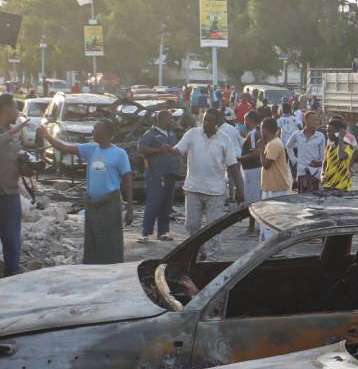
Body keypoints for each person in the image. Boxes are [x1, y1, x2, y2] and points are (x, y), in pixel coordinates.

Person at [40, 119, 134, 264]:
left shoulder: (119, 154)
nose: (92, 132)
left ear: (106, 133)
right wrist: (47, 136)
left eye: (96, 129)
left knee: (110, 239)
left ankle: (112, 267)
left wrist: (130, 209)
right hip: (92, 204)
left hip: (110, 204)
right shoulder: (90, 149)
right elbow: (64, 147)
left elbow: (127, 180)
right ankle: (93, 267)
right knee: (93, 240)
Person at [173, 108, 244, 258]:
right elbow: (179, 150)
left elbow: (233, 165)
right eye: (204, 119)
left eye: (209, 120)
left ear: (217, 123)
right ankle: (200, 253)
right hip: (193, 188)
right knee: (191, 226)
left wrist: (240, 188)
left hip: (216, 192)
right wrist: (170, 150)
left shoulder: (225, 139)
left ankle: (213, 259)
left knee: (213, 230)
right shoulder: (192, 134)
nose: (205, 123)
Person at [137, 110, 180, 242]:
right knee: (154, 202)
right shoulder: (151, 134)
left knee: (167, 203)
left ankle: (163, 232)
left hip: (170, 173)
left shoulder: (172, 134)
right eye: (169, 118)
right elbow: (141, 149)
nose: (172, 121)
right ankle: (145, 233)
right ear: (161, 120)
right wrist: (159, 150)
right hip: (155, 173)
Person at [256, 117, 293, 240]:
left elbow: (266, 164)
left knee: (273, 220)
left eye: (261, 129)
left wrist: (261, 150)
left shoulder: (275, 143)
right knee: (268, 220)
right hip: (271, 187)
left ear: (265, 130)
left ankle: (272, 248)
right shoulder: (272, 143)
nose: (260, 132)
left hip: (276, 189)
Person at [0, 94, 24, 276]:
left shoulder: (12, 133)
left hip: (10, 195)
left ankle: (11, 280)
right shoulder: (9, 133)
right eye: (16, 107)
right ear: (6, 109)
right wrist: (12, 132)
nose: (18, 111)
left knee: (12, 243)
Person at [288, 110, 325, 193]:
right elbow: (288, 146)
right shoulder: (297, 134)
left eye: (317, 120)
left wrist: (321, 165)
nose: (316, 122)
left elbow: (322, 156)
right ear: (306, 120)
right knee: (302, 199)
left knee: (315, 200)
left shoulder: (320, 136)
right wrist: (294, 160)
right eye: (314, 120)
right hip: (302, 173)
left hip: (315, 174)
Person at [238, 111, 263, 234]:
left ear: (250, 120)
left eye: (245, 119)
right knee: (255, 197)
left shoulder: (254, 133)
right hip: (254, 169)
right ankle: (255, 226)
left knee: (253, 199)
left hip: (253, 170)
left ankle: (251, 226)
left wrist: (240, 158)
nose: (244, 122)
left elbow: (256, 153)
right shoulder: (257, 132)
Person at [320, 115, 356, 191]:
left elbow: (341, 155)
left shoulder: (348, 147)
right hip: (327, 186)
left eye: (329, 131)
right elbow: (325, 162)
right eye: (327, 131)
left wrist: (340, 138)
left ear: (338, 132)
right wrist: (322, 175)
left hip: (342, 188)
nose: (327, 133)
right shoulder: (329, 147)